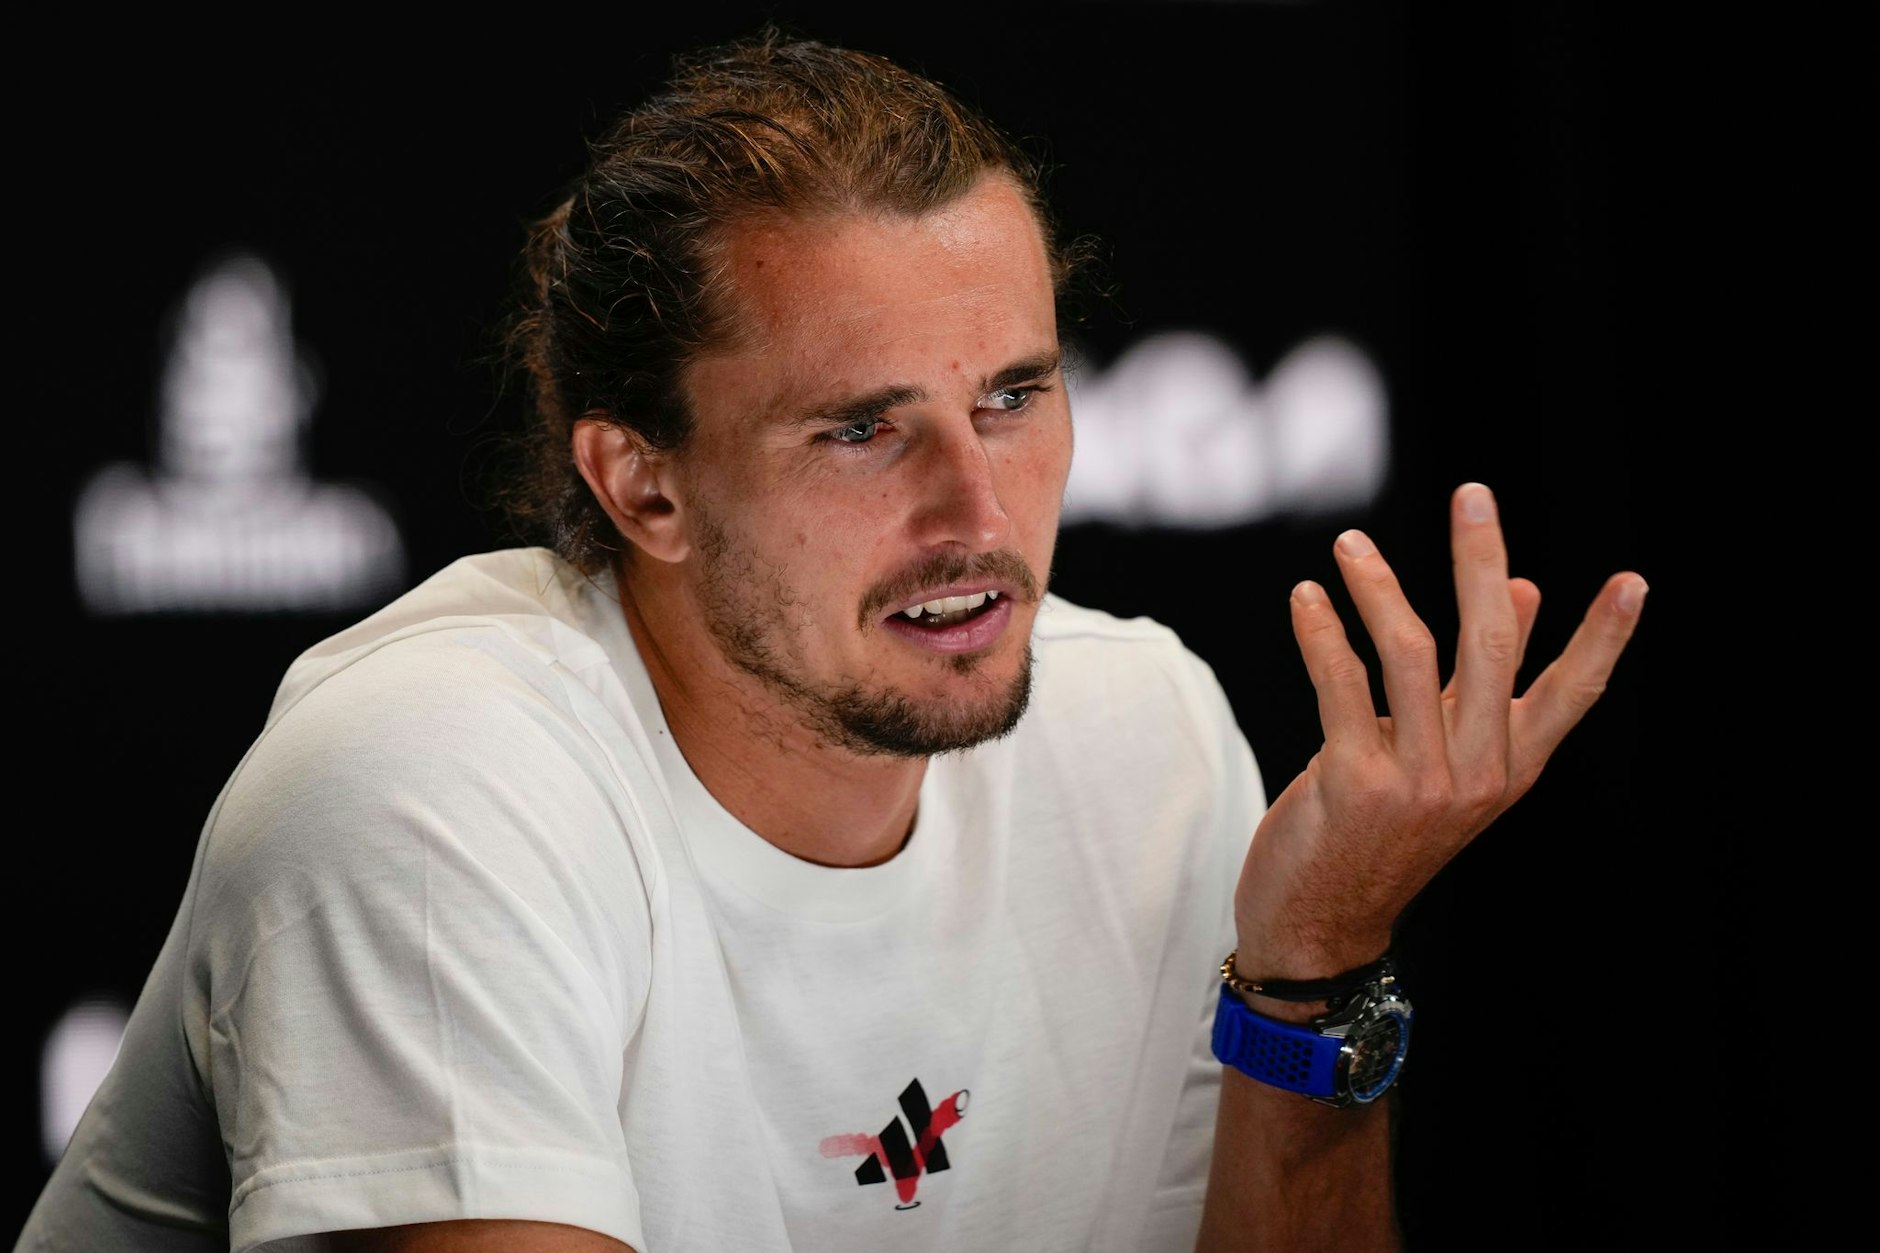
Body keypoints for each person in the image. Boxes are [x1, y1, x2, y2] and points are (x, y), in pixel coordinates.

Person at [17, 30, 1646, 1253]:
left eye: (1014, 397)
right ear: (639, 481)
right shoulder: (431, 787)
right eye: (863, 430)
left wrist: (1313, 969)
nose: (976, 506)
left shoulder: (1140, 729)